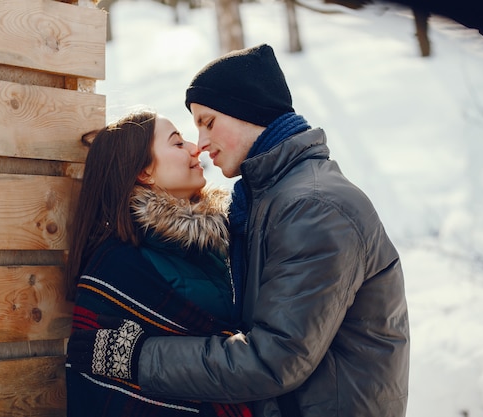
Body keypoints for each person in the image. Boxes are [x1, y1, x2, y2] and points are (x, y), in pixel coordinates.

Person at [67, 44, 411, 416]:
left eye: (208, 122)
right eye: (187, 133)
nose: (199, 145)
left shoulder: (312, 206)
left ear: (247, 113)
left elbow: (274, 360)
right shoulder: (266, 201)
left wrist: (139, 358)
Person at [64, 110, 252, 416]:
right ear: (145, 172)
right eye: (177, 143)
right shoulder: (118, 268)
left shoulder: (221, 244)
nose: (196, 148)